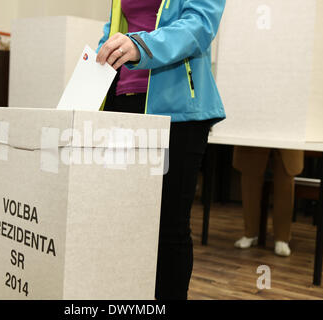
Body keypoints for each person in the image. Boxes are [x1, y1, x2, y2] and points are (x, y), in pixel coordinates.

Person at [96, 0, 226, 300]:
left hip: (176, 112)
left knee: (169, 227)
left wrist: (141, 45)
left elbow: (199, 25)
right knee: (121, 222)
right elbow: (116, 29)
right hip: (121, 104)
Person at [233, 147, 304, 257]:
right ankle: (250, 233)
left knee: (285, 182)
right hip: (254, 135)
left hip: (288, 136)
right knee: (250, 180)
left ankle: (282, 238)